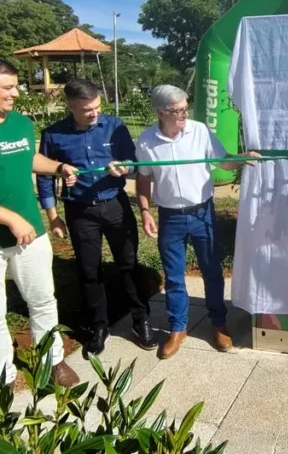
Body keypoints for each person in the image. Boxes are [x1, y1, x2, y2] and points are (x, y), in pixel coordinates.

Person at [136, 85, 259, 359]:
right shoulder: (146, 141)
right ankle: (177, 328)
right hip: (170, 217)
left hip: (202, 214)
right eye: (177, 110)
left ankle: (218, 323)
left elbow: (223, 162)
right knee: (174, 276)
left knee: (212, 271)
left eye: (185, 108)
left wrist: (242, 159)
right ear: (160, 112)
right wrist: (145, 211)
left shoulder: (200, 131)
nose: (184, 114)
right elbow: (143, 177)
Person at [37, 79, 156, 356]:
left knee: (128, 264)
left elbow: (133, 163)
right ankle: (99, 326)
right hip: (80, 212)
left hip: (115, 206)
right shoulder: (53, 134)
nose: (95, 113)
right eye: (87, 109)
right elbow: (44, 176)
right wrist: (53, 216)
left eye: (98, 107)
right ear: (71, 106)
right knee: (89, 271)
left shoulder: (115, 126)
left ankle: (141, 319)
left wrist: (124, 168)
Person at [0, 58, 79, 387]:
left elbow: (28, 156)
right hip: (14, 228)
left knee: (43, 298)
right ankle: (4, 375)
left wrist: (58, 167)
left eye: (15, 86)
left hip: (30, 233)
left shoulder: (20, 123)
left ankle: (53, 360)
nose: (15, 93)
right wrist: (9, 218)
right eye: (7, 88)